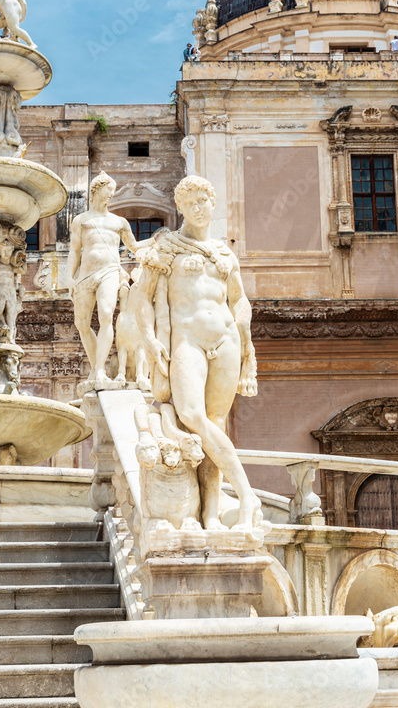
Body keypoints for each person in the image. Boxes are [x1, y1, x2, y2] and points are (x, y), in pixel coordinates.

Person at [135, 175, 261, 530]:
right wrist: (149, 339)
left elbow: (239, 301)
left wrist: (247, 344)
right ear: (180, 208)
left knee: (216, 423)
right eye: (190, 203)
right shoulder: (166, 249)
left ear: (212, 203)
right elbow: (143, 297)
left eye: (203, 201)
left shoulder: (224, 253)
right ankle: (246, 493)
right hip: (186, 341)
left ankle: (209, 512)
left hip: (226, 341)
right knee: (191, 414)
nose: (198, 208)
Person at [67, 172, 162, 388]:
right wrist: (69, 277)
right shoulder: (80, 220)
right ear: (95, 190)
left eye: (112, 192)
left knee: (106, 316)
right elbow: (74, 250)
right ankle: (95, 366)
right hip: (85, 274)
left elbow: (134, 246)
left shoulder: (118, 222)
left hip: (110, 271)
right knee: (81, 323)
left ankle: (100, 370)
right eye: (107, 191)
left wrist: (157, 240)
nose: (110, 196)